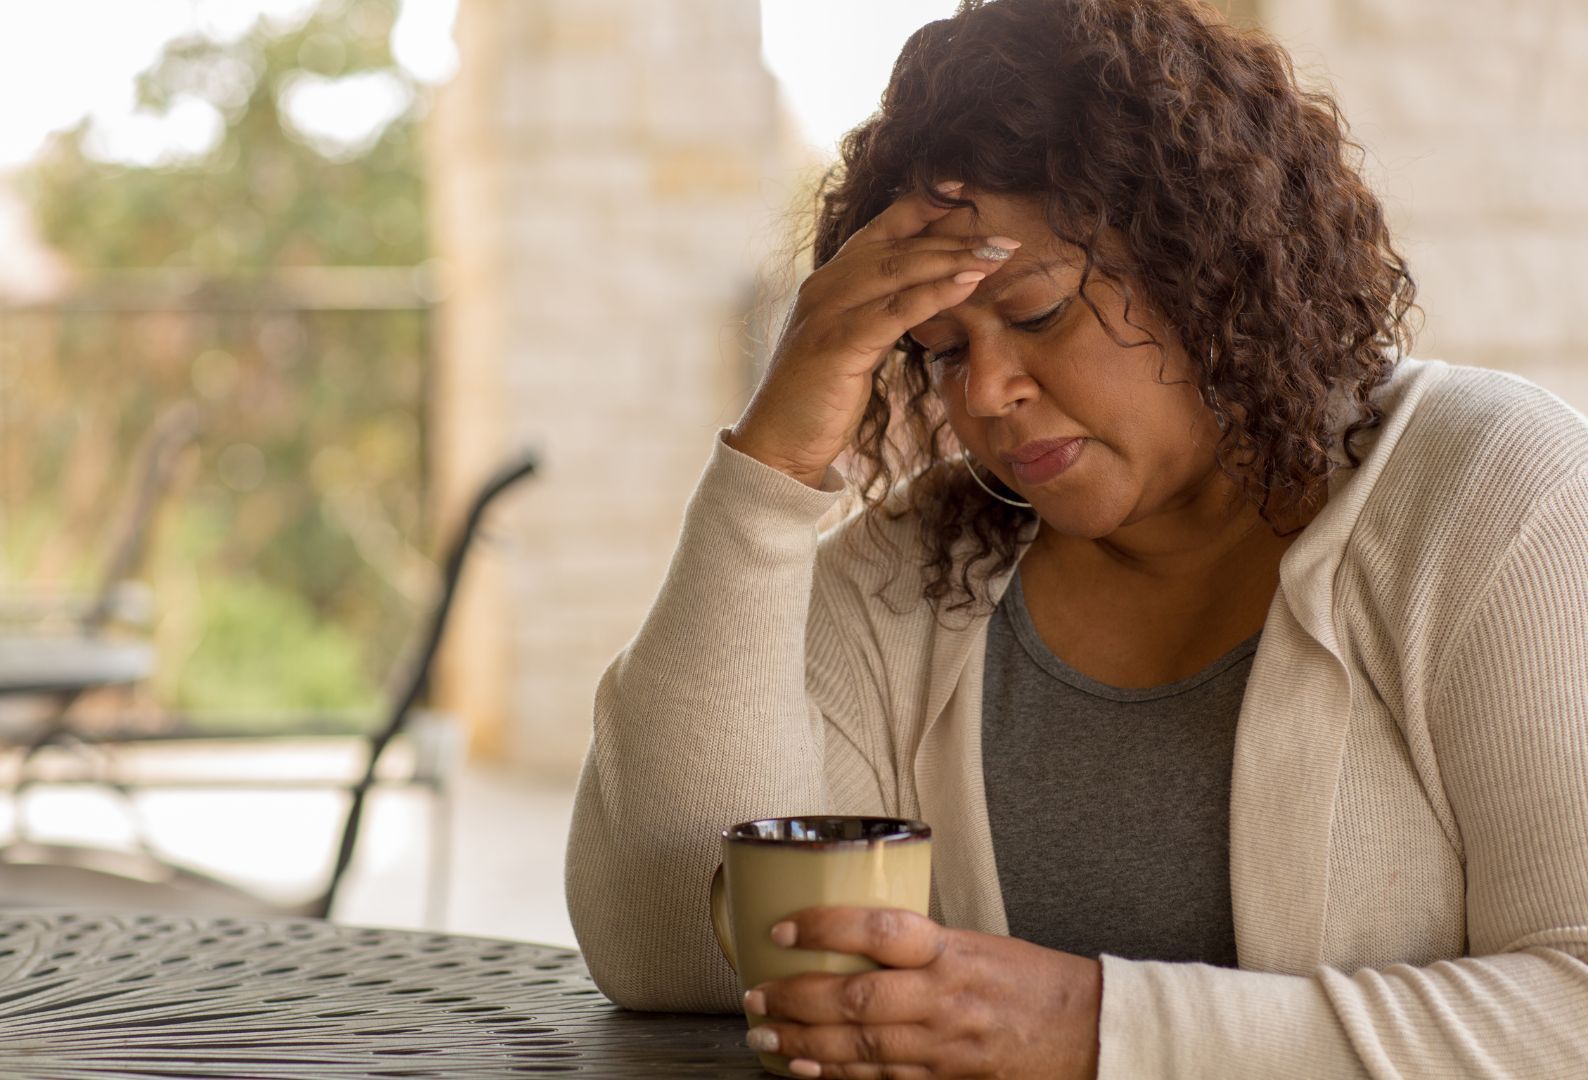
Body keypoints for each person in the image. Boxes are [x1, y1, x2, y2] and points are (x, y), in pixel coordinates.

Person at [565, 0, 1588, 1076]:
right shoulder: (920, 568)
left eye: (1041, 313)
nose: (990, 394)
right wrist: (772, 467)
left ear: (1207, 266)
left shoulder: (1489, 498)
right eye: (942, 348)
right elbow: (672, 946)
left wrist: (1092, 1029)